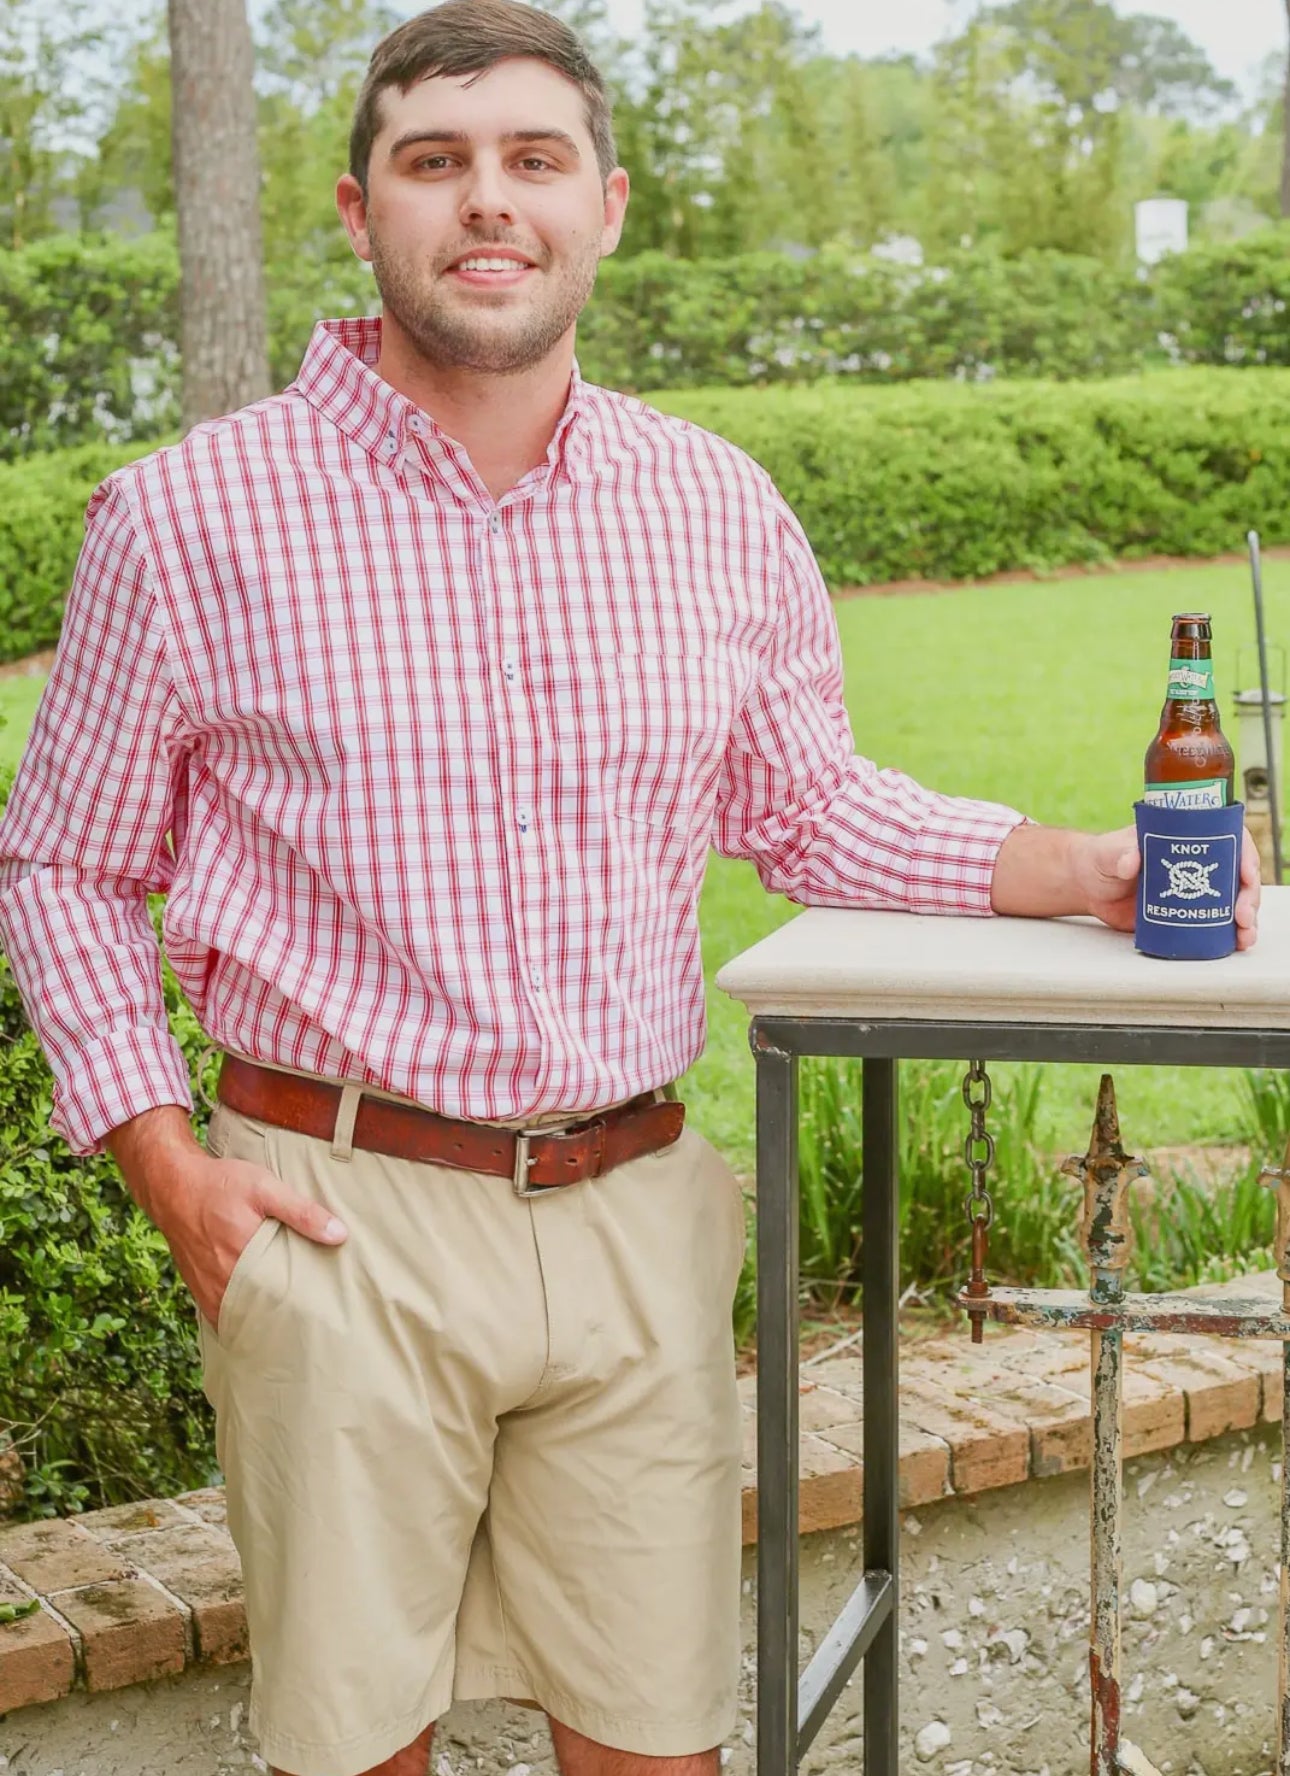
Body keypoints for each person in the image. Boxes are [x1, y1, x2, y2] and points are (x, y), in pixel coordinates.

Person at [0, 3, 1261, 1774]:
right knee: (353, 1752)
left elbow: (809, 808)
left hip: (632, 1212)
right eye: (433, 161)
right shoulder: (187, 519)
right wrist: (169, 1171)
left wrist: (1087, 870)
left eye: (534, 159)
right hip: (339, 1219)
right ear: (359, 212)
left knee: (660, 1744)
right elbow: (65, 862)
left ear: (604, 206)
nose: (487, 199)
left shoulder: (712, 505)